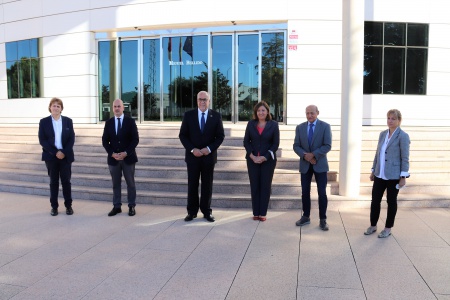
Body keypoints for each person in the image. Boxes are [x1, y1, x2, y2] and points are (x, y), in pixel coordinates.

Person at [179, 91, 225, 222]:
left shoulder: (216, 116)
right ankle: (192, 212)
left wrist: (209, 149)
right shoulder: (189, 115)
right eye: (200, 99)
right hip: (193, 157)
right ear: (197, 101)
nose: (202, 102)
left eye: (205, 99)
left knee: (207, 185)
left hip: (208, 157)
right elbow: (183, 135)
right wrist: (193, 149)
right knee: (192, 185)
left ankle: (206, 212)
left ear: (209, 101)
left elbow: (220, 136)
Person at [364, 109, 410, 238]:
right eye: (388, 118)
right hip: (380, 174)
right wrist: (373, 170)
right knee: (375, 201)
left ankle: (388, 228)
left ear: (399, 121)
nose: (390, 121)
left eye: (393, 119)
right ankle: (373, 225)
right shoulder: (383, 134)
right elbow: (377, 154)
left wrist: (403, 177)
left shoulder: (403, 136)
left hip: (394, 176)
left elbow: (405, 158)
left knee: (391, 202)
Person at [293, 105, 332, 230]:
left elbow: (327, 145)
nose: (310, 115)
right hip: (305, 164)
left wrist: (314, 155)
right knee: (305, 192)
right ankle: (306, 216)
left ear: (317, 113)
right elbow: (296, 146)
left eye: (312, 113)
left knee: (322, 192)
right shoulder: (300, 128)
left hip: (320, 164)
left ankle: (323, 219)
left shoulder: (325, 126)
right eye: (307, 113)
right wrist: (306, 156)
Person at [102, 99, 139, 217]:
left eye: (119, 106)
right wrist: (111, 153)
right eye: (115, 107)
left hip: (128, 158)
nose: (117, 108)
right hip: (113, 159)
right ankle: (117, 206)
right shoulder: (109, 123)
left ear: (123, 108)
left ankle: (131, 206)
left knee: (130, 183)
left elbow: (135, 139)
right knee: (115, 184)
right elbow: (104, 141)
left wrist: (126, 152)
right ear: (113, 108)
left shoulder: (130, 122)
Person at [38, 97, 75, 216]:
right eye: (54, 105)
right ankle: (54, 207)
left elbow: (71, 139)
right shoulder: (44, 122)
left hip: (65, 156)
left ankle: (68, 206)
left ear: (61, 109)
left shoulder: (68, 121)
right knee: (53, 182)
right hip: (51, 156)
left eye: (58, 106)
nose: (56, 108)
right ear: (50, 107)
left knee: (66, 182)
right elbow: (42, 140)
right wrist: (55, 152)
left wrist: (63, 152)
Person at [243, 101, 280, 221]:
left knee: (265, 186)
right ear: (256, 112)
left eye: (263, 110)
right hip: (252, 160)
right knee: (255, 186)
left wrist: (265, 157)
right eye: (259, 110)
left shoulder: (274, 125)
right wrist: (252, 156)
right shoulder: (250, 124)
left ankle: (263, 213)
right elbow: (246, 141)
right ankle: (256, 212)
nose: (261, 112)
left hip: (268, 161)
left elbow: (275, 144)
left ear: (267, 112)